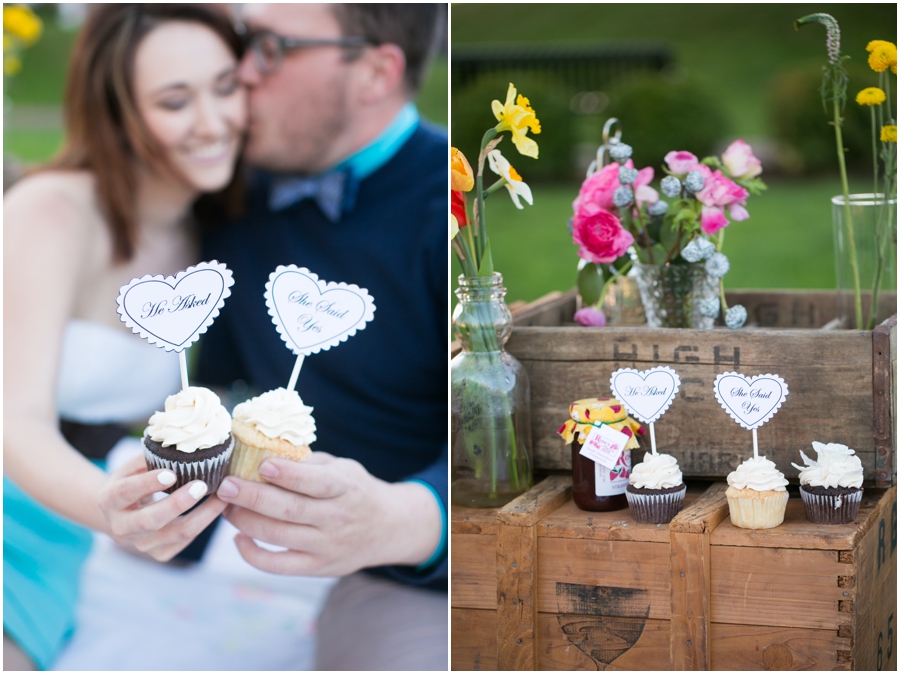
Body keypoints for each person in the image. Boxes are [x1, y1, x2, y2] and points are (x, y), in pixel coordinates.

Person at [195, 4, 448, 670]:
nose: (241, 73)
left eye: (273, 48)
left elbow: (517, 433)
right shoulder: (230, 189)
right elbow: (220, 380)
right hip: (290, 551)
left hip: (419, 566)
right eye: (245, 41)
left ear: (373, 71)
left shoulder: (459, 209)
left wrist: (407, 520)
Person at [3, 5, 247, 669]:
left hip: (59, 528)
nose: (213, 121)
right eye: (175, 101)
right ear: (117, 112)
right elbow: (14, 416)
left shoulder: (213, 235)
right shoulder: (50, 210)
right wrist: (107, 510)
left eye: (226, 87)